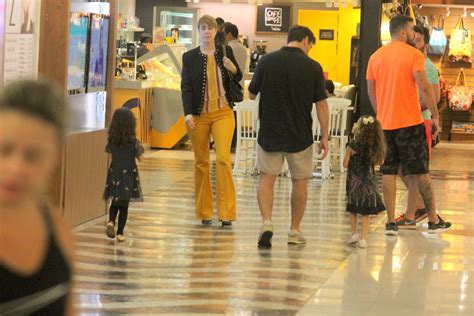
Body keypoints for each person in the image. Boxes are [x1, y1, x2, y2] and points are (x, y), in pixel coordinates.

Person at [366, 15, 451, 235]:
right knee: (421, 171)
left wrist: (381, 112)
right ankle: (433, 219)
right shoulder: (413, 55)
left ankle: (391, 222)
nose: (414, 34)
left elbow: (370, 91)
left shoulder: (375, 56)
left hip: (385, 124)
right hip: (411, 122)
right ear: (403, 32)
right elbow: (424, 86)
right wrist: (435, 115)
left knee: (388, 171)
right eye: (412, 30)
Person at [248, 25, 329, 248]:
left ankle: (266, 222)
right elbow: (321, 104)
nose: (309, 50)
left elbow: (252, 93)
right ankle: (294, 230)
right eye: (310, 46)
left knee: (267, 178)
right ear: (305, 40)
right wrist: (325, 135)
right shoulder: (312, 67)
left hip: (269, 132)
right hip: (299, 134)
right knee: (299, 181)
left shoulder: (266, 61)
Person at [0, 80, 74, 315]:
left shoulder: (57, 230)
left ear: (56, 157)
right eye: (5, 149)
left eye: (33, 156)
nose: (16, 168)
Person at [181, 15, 242, 228]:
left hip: (223, 112)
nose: (207, 32)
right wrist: (188, 113)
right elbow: (186, 86)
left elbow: (238, 75)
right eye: (203, 28)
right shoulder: (189, 57)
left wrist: (232, 68)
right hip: (198, 115)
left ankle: (226, 213)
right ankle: (204, 212)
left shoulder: (225, 52)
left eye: (211, 28)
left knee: (224, 158)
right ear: (198, 31)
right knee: (201, 162)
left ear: (216, 31)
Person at [395, 25, 441, 229]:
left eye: (419, 40)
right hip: (407, 120)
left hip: (420, 121)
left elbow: (435, 96)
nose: (415, 42)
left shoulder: (427, 66)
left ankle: (417, 212)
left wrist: (410, 106)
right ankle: (419, 209)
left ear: (426, 44)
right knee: (403, 168)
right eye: (413, 38)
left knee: (416, 170)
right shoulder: (411, 61)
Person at [344, 115, 386, 248]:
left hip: (354, 181)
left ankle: (354, 233)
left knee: (353, 207)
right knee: (366, 211)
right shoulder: (374, 147)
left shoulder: (353, 145)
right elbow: (380, 162)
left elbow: (345, 164)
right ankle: (364, 239)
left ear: (360, 129)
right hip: (369, 182)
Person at [103, 108, 144, 242]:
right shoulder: (133, 142)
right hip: (128, 174)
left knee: (115, 200)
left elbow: (109, 155)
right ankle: (120, 233)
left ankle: (110, 221)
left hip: (114, 172)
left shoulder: (112, 140)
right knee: (124, 204)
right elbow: (141, 158)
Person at [224, 23, 248, 150]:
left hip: (231, 87)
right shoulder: (243, 48)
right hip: (240, 86)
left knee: (229, 116)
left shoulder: (228, 48)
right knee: (236, 117)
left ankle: (229, 143)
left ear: (228, 34)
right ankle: (234, 143)